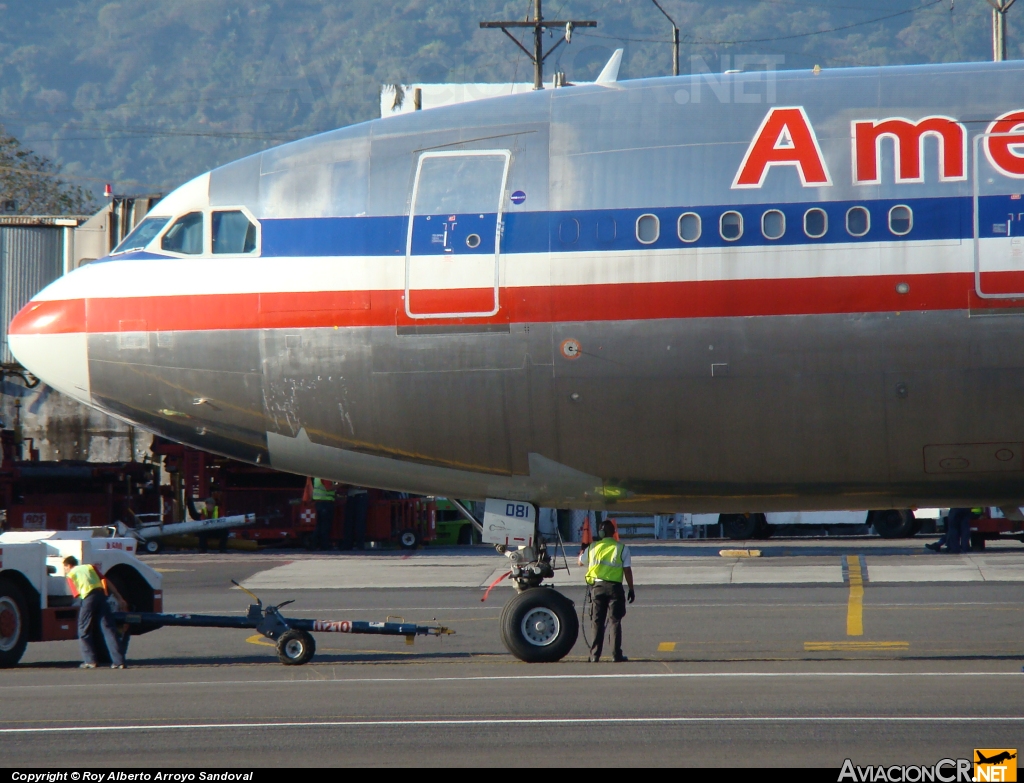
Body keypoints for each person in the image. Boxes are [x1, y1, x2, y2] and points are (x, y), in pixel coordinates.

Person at [578, 519, 635, 662]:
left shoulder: (593, 547)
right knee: (615, 621)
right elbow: (627, 570)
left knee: (597, 621)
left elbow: (580, 562)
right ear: (614, 532)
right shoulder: (621, 548)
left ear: (601, 533)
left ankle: (594, 655)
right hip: (615, 588)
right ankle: (616, 654)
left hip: (597, 588)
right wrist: (631, 589)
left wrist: (583, 550)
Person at [63, 556, 126, 669]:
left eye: (65, 567)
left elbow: (76, 595)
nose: (65, 570)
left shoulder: (70, 575)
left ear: (69, 565)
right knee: (108, 628)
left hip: (88, 598)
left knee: (83, 630)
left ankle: (90, 661)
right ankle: (119, 662)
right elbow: (106, 581)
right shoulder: (90, 567)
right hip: (101, 595)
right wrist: (119, 597)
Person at [312, 478, 337, 550]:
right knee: (325, 525)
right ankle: (324, 545)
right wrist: (341, 484)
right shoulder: (325, 476)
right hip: (325, 503)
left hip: (320, 502)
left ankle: (314, 544)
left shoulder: (317, 477)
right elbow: (328, 488)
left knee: (320, 525)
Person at [343, 486, 369, 550]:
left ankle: (360, 545)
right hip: (351, 496)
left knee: (360, 521)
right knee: (349, 522)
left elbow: (368, 486)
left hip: (361, 495)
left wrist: (358, 487)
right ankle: (348, 545)